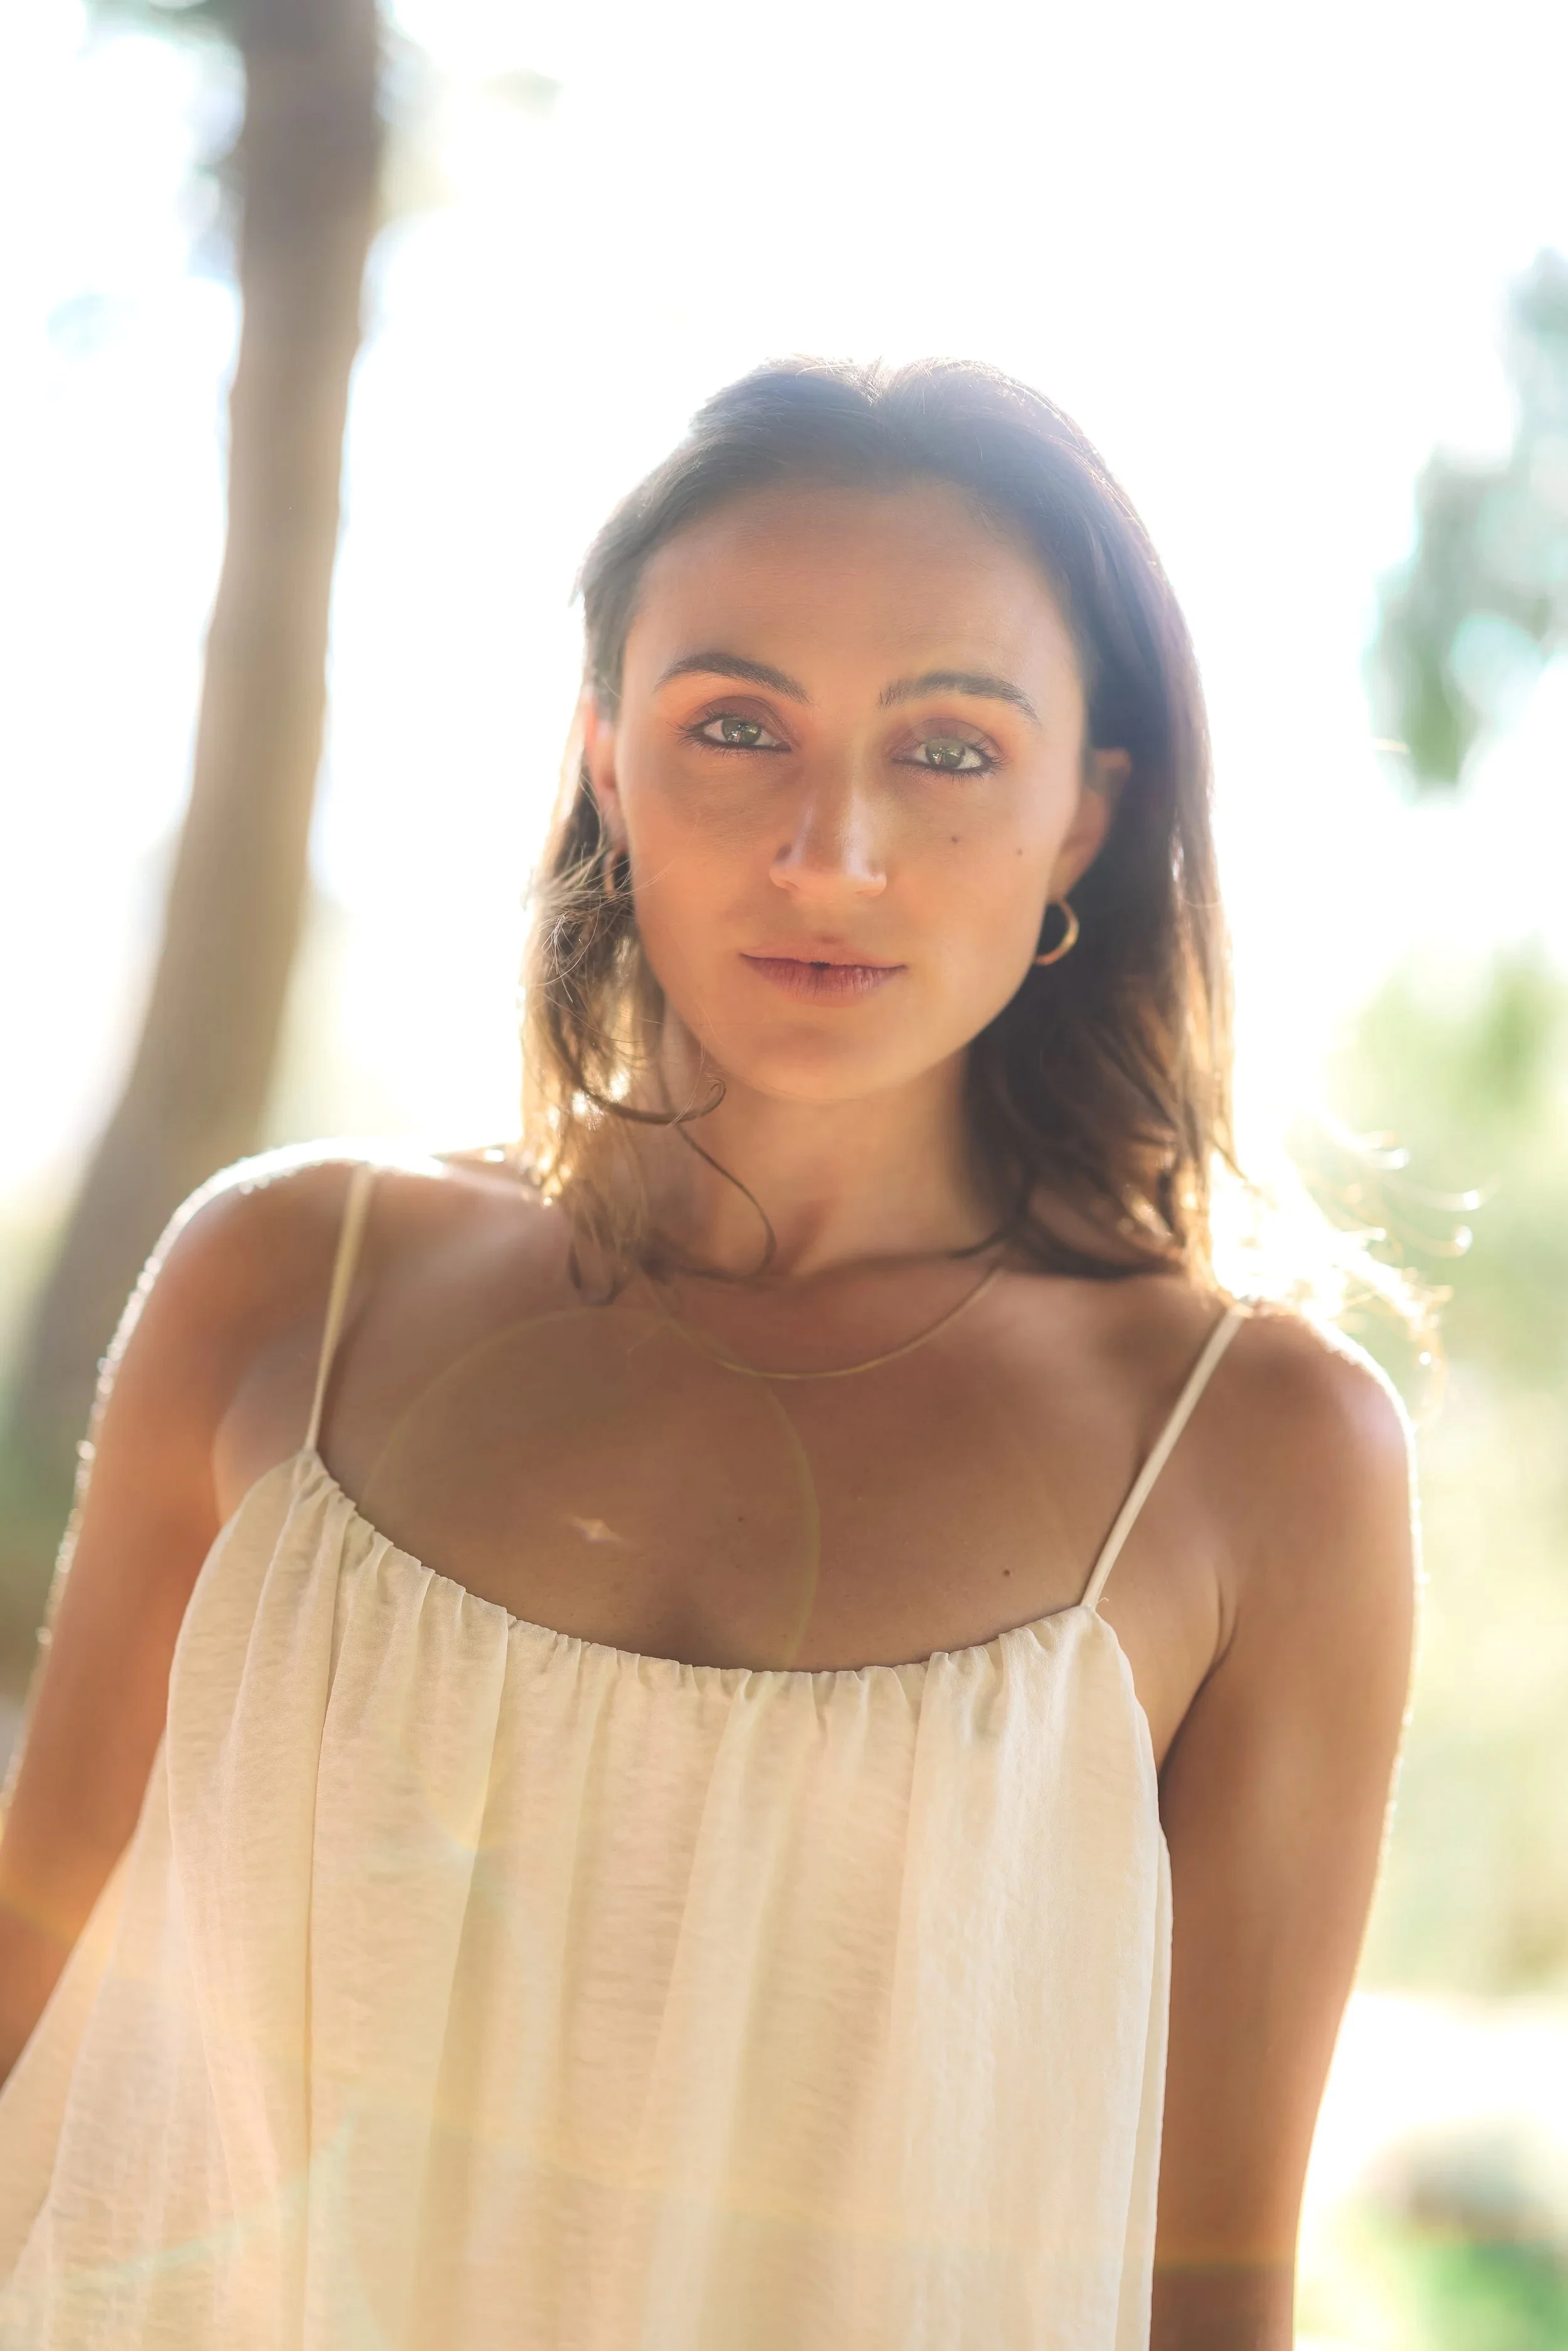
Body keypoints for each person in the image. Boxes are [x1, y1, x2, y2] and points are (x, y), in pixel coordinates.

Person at [0, 358, 1416, 2351]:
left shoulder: (1250, 1453)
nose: (828, 849)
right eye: (736, 725)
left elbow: (1208, 2285)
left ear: (1085, 809)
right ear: (604, 757)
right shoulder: (282, 1289)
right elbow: (27, 2010)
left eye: (946, 748)